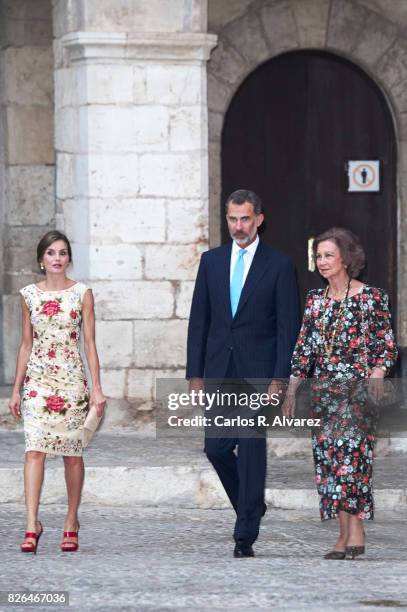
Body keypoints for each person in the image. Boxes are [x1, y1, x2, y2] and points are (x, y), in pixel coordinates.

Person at [186, 189, 300, 557]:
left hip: (259, 374)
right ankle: (251, 506)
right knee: (216, 448)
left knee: (250, 447)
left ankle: (244, 533)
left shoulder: (280, 265)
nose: (238, 226)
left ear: (259, 219)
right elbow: (198, 321)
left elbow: (288, 327)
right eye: (232, 219)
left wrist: (280, 379)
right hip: (220, 372)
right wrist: (195, 375)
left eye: (245, 219)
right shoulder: (211, 261)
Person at [283, 227, 397, 560]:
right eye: (318, 256)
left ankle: (352, 533)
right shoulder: (315, 301)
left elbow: (386, 346)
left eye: (329, 255)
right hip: (323, 394)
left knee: (352, 461)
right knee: (329, 465)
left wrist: (377, 372)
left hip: (358, 394)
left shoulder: (371, 298)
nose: (322, 261)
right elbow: (304, 350)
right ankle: (346, 534)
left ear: (346, 258)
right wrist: (292, 389)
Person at [9, 230, 106, 553]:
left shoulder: (82, 294)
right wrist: (15, 389)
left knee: (72, 455)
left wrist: (97, 389)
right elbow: (26, 344)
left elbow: (89, 343)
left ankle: (70, 520)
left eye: (62, 253)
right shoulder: (28, 296)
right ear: (41, 259)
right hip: (37, 383)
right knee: (34, 451)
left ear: (68, 258)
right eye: (51, 253)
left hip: (71, 381)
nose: (57, 258)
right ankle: (31, 523)